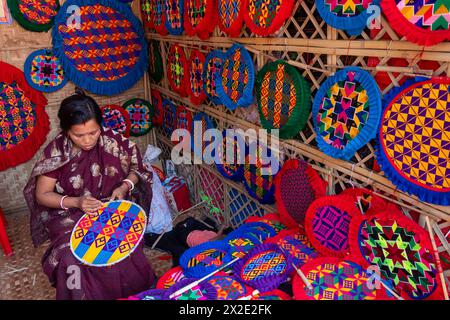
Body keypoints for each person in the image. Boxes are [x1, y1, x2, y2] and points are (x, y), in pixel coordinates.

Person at [23, 89, 156, 300]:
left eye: (93, 132)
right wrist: (77, 201)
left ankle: (136, 296)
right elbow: (42, 194)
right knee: (72, 257)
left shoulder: (114, 142)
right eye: (78, 135)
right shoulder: (57, 152)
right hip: (69, 212)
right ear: (66, 131)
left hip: (110, 205)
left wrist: (124, 187)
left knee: (120, 248)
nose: (87, 140)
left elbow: (139, 169)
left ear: (100, 126)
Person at [144, 216, 231, 266]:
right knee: (192, 221)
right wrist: (222, 228)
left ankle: (179, 227)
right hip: (195, 232)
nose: (217, 235)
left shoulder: (205, 246)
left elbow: (199, 256)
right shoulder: (215, 237)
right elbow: (218, 235)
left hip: (184, 236)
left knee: (180, 228)